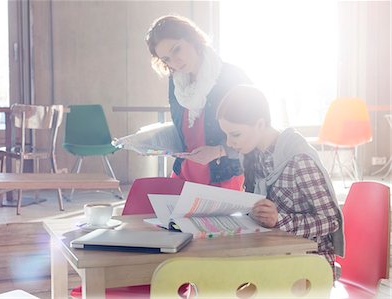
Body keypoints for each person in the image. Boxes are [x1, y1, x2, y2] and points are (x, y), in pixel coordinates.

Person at [216, 85, 344, 275]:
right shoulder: (253, 156)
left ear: (260, 124)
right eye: (226, 134)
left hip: (310, 264)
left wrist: (279, 220)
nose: (229, 143)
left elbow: (331, 221)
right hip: (273, 254)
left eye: (235, 134)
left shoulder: (299, 160)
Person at [145, 15, 252, 190]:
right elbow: (185, 132)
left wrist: (218, 150)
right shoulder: (176, 83)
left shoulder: (231, 76)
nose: (175, 62)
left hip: (223, 176)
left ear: (192, 38)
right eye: (166, 59)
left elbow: (253, 133)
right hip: (184, 174)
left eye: (177, 49)